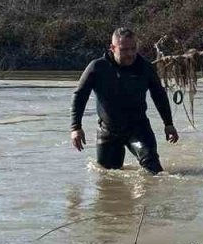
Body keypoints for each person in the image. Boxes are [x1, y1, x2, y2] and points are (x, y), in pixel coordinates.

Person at [70, 27, 179, 173]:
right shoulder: (97, 68)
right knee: (108, 177)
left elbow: (159, 95)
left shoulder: (145, 67)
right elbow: (79, 96)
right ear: (112, 48)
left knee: (154, 168)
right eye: (124, 50)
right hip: (108, 131)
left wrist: (168, 124)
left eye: (133, 49)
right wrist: (76, 127)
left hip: (138, 129)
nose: (130, 54)